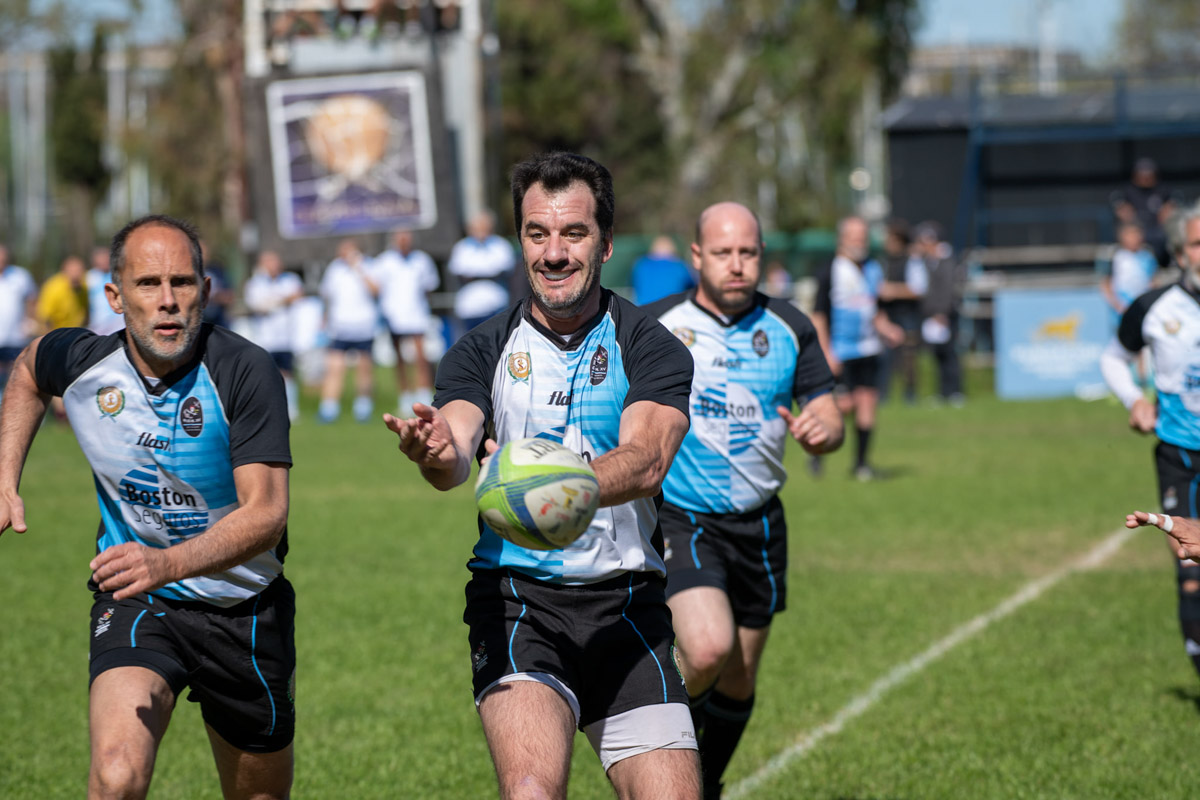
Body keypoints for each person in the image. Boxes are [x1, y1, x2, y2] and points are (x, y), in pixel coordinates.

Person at [382, 152, 701, 799]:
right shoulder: (481, 348)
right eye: (537, 234)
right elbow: (455, 448)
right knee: (531, 791)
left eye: (574, 234)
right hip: (519, 603)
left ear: (606, 243)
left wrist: (554, 482)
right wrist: (436, 448)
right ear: (518, 242)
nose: (554, 253)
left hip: (629, 608)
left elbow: (647, 458)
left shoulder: (649, 344)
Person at [0, 214, 295, 799]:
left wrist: (166, 562)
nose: (168, 302)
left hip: (244, 609)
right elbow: (31, 370)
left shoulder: (244, 369)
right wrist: (5, 475)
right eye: (148, 284)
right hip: (138, 600)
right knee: (116, 775)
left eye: (183, 283)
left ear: (206, 292)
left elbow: (265, 513)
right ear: (114, 297)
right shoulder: (84, 363)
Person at [644, 202, 843, 799]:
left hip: (760, 523)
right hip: (682, 516)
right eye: (723, 253)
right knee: (706, 648)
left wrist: (822, 429)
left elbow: (827, 407)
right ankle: (659, 771)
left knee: (738, 676)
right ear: (697, 256)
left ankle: (703, 784)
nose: (737, 265)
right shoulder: (653, 325)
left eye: (748, 253)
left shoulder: (789, 325)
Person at [1100, 202, 1200, 685]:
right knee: (1190, 564)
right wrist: (1133, 400)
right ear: (1181, 253)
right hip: (1179, 454)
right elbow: (1115, 358)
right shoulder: (1154, 308)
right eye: (1199, 244)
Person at [811, 215, 904, 481]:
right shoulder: (830, 269)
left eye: (863, 236)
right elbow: (818, 315)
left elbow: (875, 311)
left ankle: (861, 465)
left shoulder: (873, 268)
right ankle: (816, 447)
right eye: (854, 236)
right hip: (841, 350)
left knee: (867, 404)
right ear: (842, 238)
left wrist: (888, 329)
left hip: (869, 348)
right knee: (845, 405)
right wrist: (826, 352)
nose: (859, 241)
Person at [373, 228, 440, 413]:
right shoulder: (384, 261)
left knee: (421, 357)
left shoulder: (422, 260)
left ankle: (425, 396)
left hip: (416, 313)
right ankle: (405, 397)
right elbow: (376, 287)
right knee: (400, 360)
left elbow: (429, 287)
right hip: (394, 315)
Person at [318, 238, 380, 423]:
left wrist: (358, 268)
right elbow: (328, 296)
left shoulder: (370, 266)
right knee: (335, 367)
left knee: (364, 368)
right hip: (340, 326)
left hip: (363, 325)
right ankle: (329, 408)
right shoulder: (334, 269)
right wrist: (325, 317)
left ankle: (363, 406)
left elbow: (376, 290)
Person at [244, 249, 305, 422]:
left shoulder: (290, 280)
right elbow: (259, 306)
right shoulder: (255, 284)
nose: (274, 266)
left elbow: (298, 295)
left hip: (286, 337)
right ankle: (267, 408)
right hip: (265, 339)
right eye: (269, 262)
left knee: (288, 374)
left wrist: (275, 301)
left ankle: (291, 409)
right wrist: (283, 300)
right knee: (266, 374)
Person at [915, 221, 966, 406]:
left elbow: (948, 290)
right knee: (937, 356)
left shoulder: (947, 261)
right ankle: (943, 392)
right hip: (932, 316)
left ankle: (955, 392)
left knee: (950, 354)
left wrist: (941, 313)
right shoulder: (927, 262)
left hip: (945, 316)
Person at [876, 219, 926, 405]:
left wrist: (892, 290)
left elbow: (918, 289)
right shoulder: (883, 262)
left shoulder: (912, 261)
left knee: (909, 358)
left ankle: (910, 395)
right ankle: (883, 394)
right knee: (884, 356)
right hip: (888, 315)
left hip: (908, 315)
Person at [446, 209, 515, 333]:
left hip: (496, 303)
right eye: (477, 227)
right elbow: (460, 273)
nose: (481, 230)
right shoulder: (461, 248)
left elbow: (505, 271)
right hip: (469, 306)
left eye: (484, 226)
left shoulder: (501, 245)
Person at [1111, 157, 1178, 268]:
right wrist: (1134, 227)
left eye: (1149, 174)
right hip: (1137, 228)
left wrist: (1165, 217)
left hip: (1158, 229)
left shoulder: (1163, 189)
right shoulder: (1128, 190)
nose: (1146, 178)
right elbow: (1122, 210)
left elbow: (1171, 207)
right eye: (1142, 174)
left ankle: (1165, 265)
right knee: (1131, 236)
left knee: (1168, 237)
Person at [0, 245, 37, 402]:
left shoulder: (21, 276)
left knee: (15, 376)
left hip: (15, 336)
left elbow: (32, 299)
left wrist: (31, 321)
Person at [1102, 221, 1158, 324]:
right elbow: (1106, 284)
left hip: (1142, 308)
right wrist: (1117, 305)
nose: (1133, 238)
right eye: (1130, 234)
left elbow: (1153, 281)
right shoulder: (1116, 256)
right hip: (1121, 310)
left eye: (1136, 234)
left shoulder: (1147, 256)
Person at [631, 234, 695, 305]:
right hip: (671, 309)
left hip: (643, 309)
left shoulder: (641, 265)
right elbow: (693, 285)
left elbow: (635, 285)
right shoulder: (679, 266)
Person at [37, 254, 89, 333]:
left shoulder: (84, 287)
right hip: (56, 334)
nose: (76, 274)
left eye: (79, 270)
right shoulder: (53, 287)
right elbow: (45, 317)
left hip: (76, 333)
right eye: (73, 270)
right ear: (64, 270)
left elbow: (85, 311)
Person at [87, 245, 124, 336]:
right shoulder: (90, 277)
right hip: (98, 324)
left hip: (117, 323)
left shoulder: (118, 275)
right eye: (101, 258)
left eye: (106, 258)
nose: (104, 261)